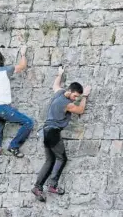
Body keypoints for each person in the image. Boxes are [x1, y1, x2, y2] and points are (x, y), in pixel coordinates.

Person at [32, 66, 90, 202]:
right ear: (70, 91)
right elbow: (80, 110)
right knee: (61, 158)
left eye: (78, 97)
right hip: (53, 132)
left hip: (45, 131)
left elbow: (55, 85)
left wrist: (59, 74)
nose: (75, 98)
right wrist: (85, 96)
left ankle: (37, 187)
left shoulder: (59, 93)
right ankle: (52, 185)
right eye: (75, 96)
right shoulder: (67, 104)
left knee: (50, 160)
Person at [0, 46, 34, 177]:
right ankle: (14, 146)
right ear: (2, 60)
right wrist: (23, 53)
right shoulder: (5, 70)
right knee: (28, 123)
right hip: (3, 108)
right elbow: (22, 66)